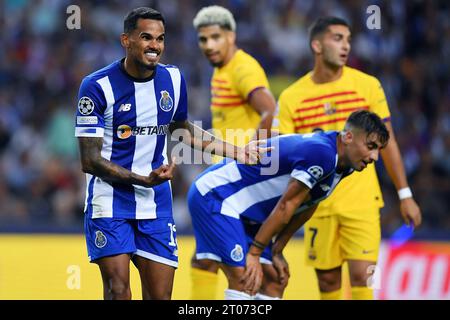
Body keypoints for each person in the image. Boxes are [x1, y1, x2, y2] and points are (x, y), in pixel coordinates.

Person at [74, 7, 268, 300]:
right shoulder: (96, 87)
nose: (155, 45)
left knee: (161, 297)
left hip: (155, 202)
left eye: (160, 38)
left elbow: (183, 129)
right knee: (118, 291)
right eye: (146, 37)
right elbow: (89, 160)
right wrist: (141, 179)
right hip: (110, 202)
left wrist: (238, 151)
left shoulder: (173, 80)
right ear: (126, 40)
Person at [274, 16, 422, 300]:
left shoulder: (367, 86)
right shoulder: (293, 97)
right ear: (317, 45)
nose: (346, 46)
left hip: (362, 203)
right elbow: (285, 155)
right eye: (338, 38)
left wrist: (405, 193)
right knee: (328, 283)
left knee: (364, 277)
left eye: (349, 40)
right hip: (317, 205)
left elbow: (388, 143)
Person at [188, 110, 390, 300]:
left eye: (378, 150)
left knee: (275, 279)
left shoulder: (344, 164)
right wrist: (255, 253)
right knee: (245, 278)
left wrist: (277, 248)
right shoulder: (322, 154)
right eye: (370, 146)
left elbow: (309, 204)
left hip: (243, 212)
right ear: (348, 137)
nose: (374, 157)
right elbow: (286, 206)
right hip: (217, 195)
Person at [190, 5, 277, 299]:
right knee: (205, 260)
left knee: (244, 273)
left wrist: (250, 160)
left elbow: (269, 109)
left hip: (237, 185)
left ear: (231, 35)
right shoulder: (221, 71)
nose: (209, 45)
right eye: (203, 39)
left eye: (216, 37)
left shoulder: (242, 68)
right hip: (228, 178)